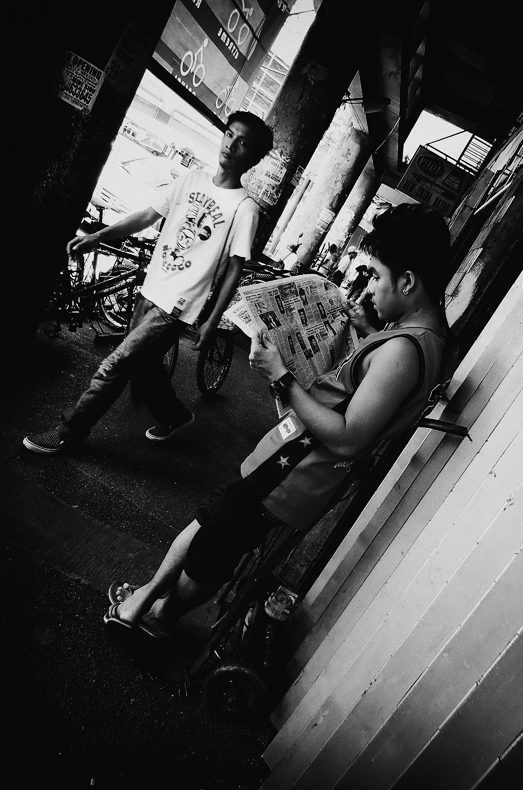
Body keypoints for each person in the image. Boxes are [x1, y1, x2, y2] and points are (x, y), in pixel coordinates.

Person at [102, 203, 460, 638]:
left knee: (210, 554)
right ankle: (146, 597)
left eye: (378, 279)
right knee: (206, 524)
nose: (370, 291)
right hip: (283, 460)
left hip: (292, 475)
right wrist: (366, 334)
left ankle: (157, 616)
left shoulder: (404, 351)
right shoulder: (425, 340)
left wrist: (281, 376)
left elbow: (348, 438)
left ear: (407, 281)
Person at [24, 112, 273, 455]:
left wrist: (212, 322)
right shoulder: (192, 179)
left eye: (242, 142)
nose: (230, 144)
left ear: (254, 157)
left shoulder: (244, 208)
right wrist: (99, 236)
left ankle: (72, 429)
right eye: (229, 134)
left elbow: (234, 268)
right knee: (142, 365)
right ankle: (173, 415)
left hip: (177, 305)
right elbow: (147, 215)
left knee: (116, 364)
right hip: (151, 288)